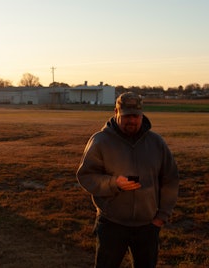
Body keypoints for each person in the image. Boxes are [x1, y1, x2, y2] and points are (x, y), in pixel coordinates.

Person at [76, 92, 179, 268]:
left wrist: (161, 217)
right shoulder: (100, 141)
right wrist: (113, 183)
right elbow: (86, 175)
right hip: (111, 224)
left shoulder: (156, 143)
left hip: (148, 225)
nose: (131, 120)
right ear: (116, 111)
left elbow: (170, 180)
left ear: (142, 114)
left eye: (136, 116)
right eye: (126, 116)